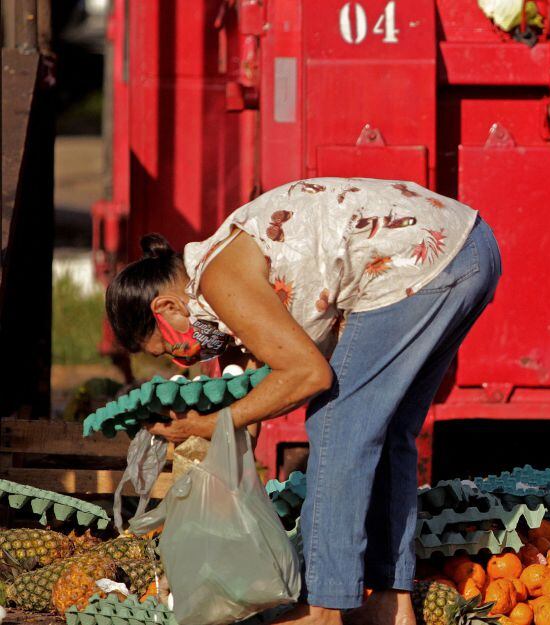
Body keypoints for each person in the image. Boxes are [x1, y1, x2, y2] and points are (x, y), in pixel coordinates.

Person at [105, 177, 502, 625]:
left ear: (167, 310)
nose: (184, 364)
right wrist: (220, 463)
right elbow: (256, 395)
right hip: (470, 248)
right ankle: (392, 604)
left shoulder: (219, 278)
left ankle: (322, 607)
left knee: (337, 419)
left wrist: (205, 427)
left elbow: (309, 375)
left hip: (419, 262)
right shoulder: (220, 286)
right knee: (387, 429)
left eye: (171, 350)